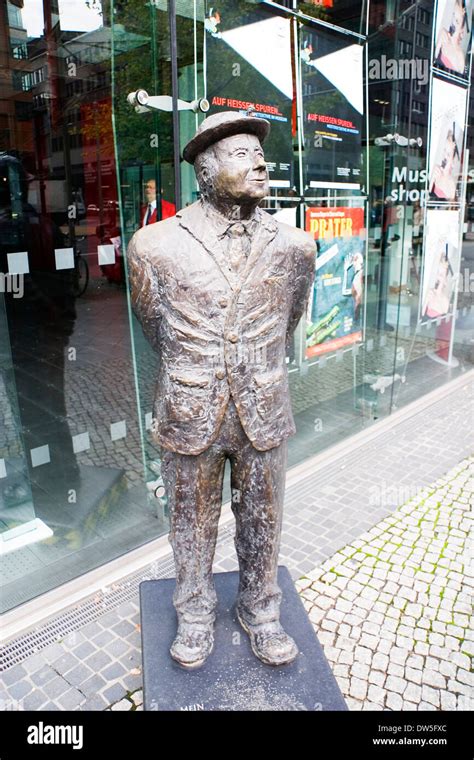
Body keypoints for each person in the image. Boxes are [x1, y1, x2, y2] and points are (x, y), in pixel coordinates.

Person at [127, 111, 315, 669]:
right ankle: (194, 609)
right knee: (190, 519)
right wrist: (201, 369)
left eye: (261, 154)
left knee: (263, 514)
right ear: (206, 170)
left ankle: (261, 608)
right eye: (241, 154)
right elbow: (155, 327)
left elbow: (289, 319)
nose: (260, 162)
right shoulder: (153, 245)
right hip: (190, 407)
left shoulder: (295, 246)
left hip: (264, 404)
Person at [434, 0, 469, 75]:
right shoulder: (442, 38)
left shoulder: (460, 56)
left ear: (462, 29)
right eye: (453, 16)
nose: (453, 24)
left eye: (457, 21)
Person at [430, 127, 460, 201]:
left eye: (449, 154)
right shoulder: (433, 171)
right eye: (444, 151)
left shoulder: (452, 183)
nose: (445, 156)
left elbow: (451, 203)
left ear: (453, 161)